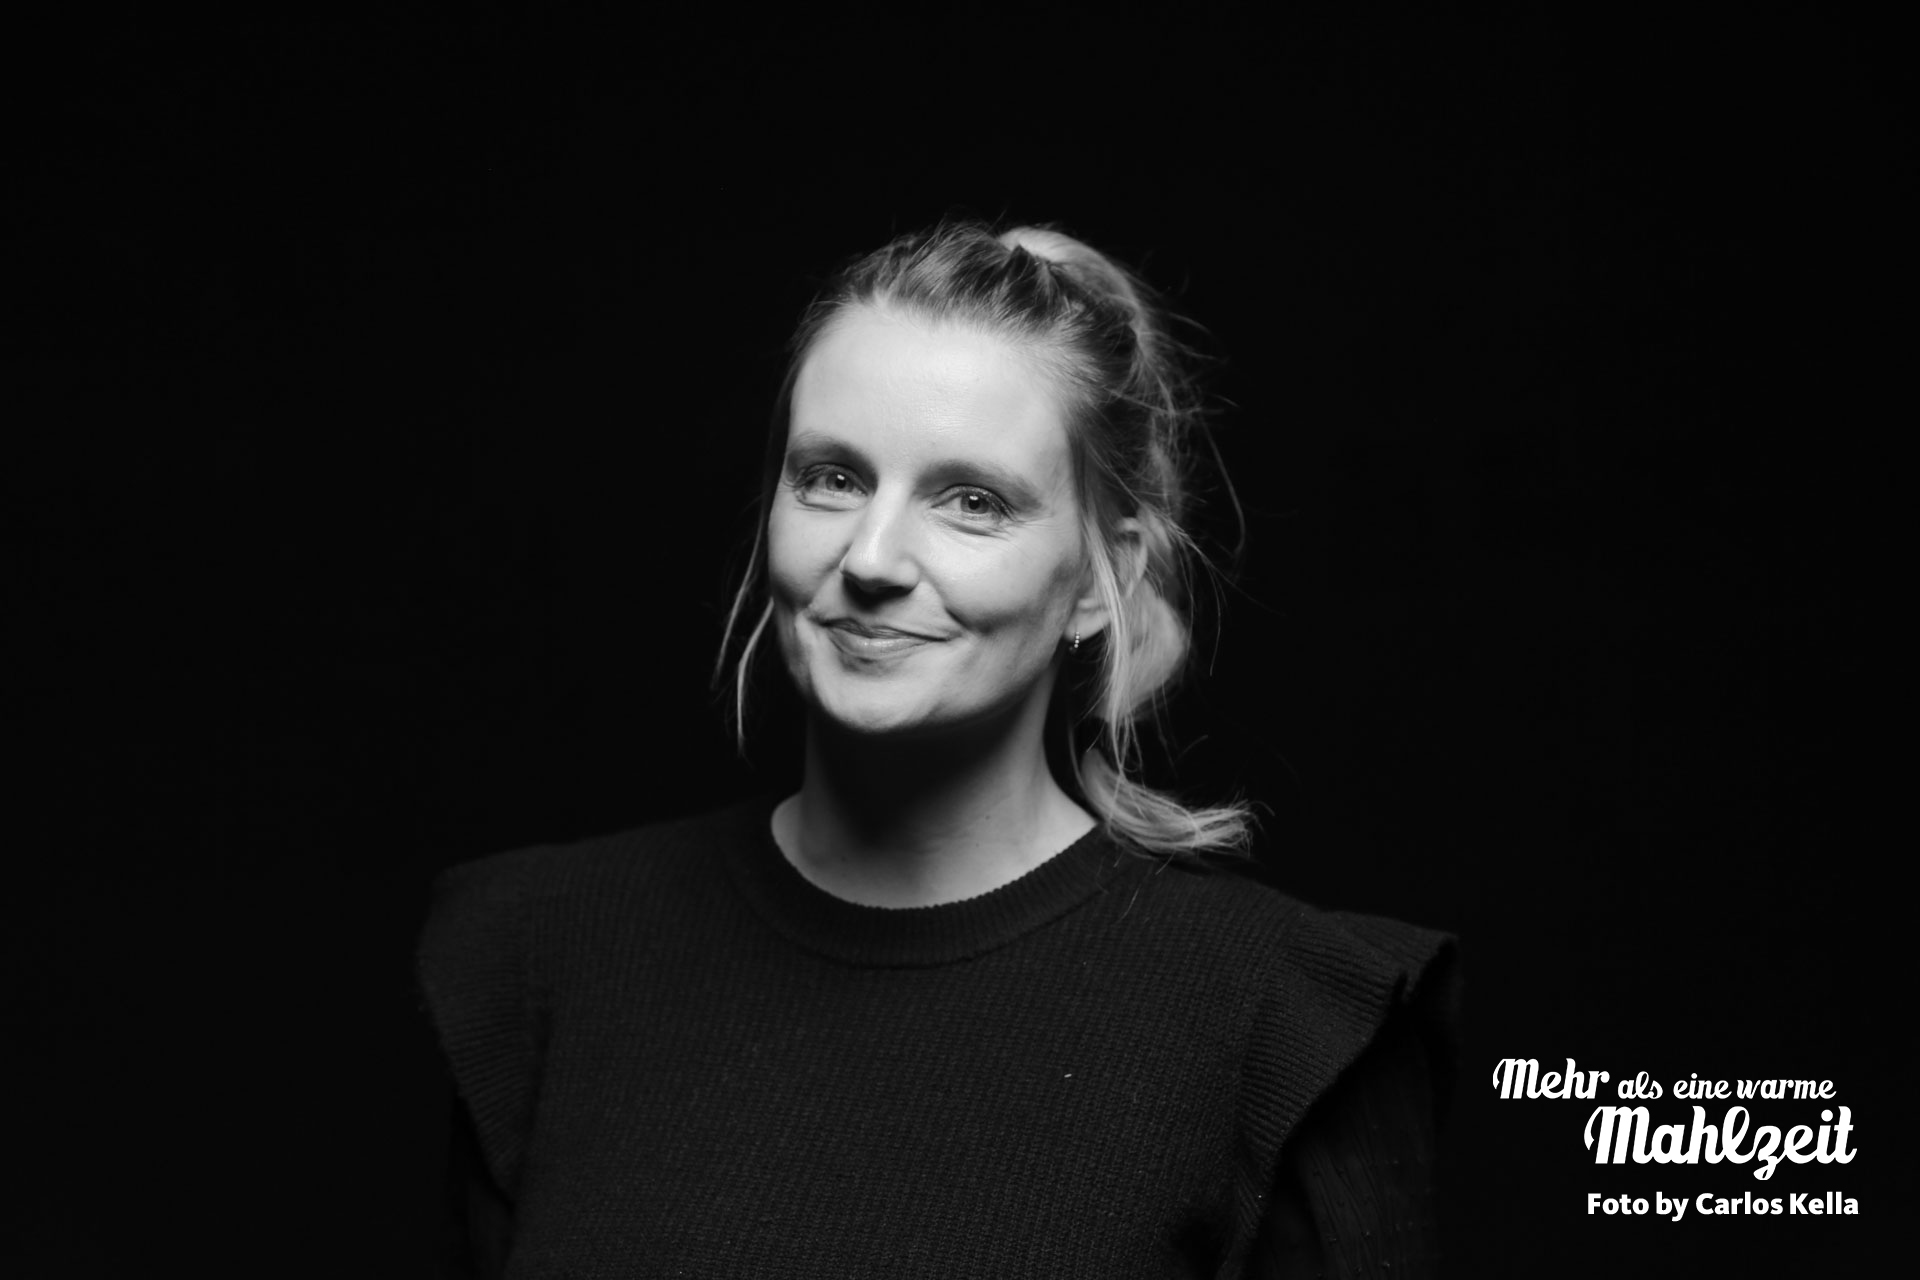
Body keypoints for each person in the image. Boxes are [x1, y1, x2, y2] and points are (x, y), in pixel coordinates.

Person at [418, 219, 1461, 1278]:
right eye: (831, 477)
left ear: (1101, 579)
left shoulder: (1279, 1024)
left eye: (973, 501)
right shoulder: (534, 955)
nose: (871, 559)